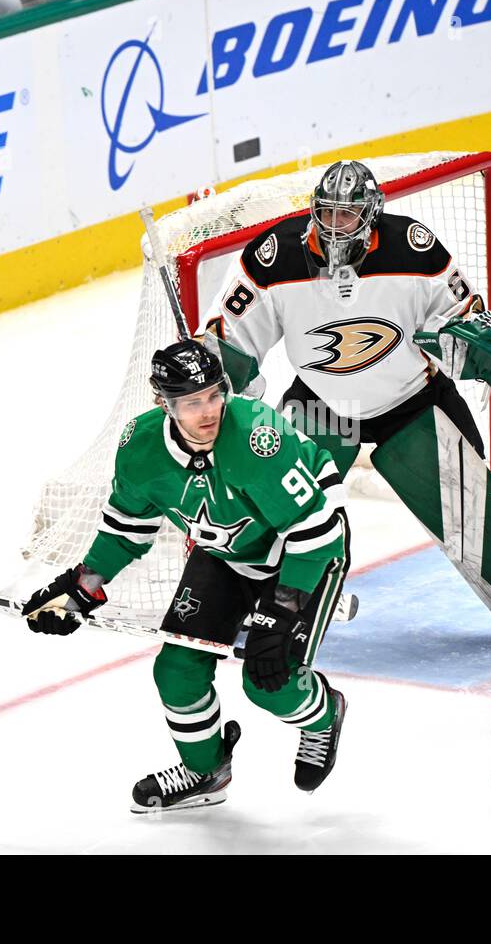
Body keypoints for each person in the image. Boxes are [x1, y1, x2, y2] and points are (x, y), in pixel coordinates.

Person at [200, 160, 491, 641]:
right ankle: (263, 600)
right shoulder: (274, 257)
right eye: (328, 214)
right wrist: (213, 369)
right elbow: (228, 336)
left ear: (371, 215)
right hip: (323, 403)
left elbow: (468, 316)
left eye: (349, 215)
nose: (336, 226)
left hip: (411, 400)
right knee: (274, 488)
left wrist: (471, 344)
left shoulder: (413, 248)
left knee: (465, 502)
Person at [22, 341, 350, 812]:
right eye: (193, 402)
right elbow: (126, 530)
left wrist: (281, 612)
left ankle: (323, 716)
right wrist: (81, 589)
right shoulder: (140, 447)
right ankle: (205, 771)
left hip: (304, 554)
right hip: (223, 554)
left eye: (215, 395)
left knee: (268, 681)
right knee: (176, 672)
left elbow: (316, 531)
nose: (209, 411)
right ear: (164, 404)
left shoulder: (258, 438)